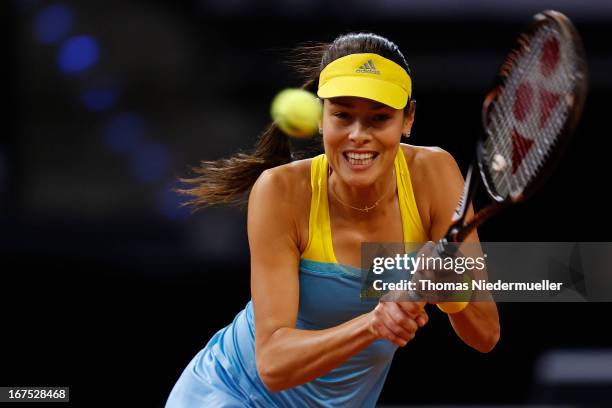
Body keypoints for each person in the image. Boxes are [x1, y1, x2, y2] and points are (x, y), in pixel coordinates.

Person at [166, 32, 500, 407]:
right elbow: (273, 363)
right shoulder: (280, 191)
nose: (359, 135)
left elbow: (486, 334)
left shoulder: (434, 175)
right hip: (232, 394)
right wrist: (374, 323)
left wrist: (450, 290)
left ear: (408, 120)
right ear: (322, 118)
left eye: (379, 118)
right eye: (343, 115)